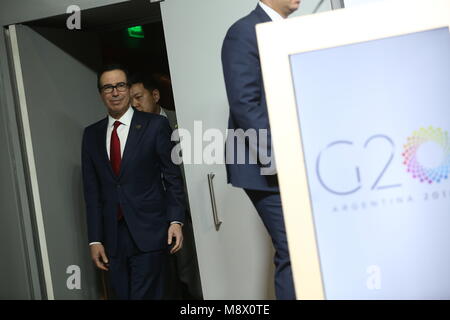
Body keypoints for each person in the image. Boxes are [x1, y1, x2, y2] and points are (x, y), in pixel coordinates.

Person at [81, 64, 186, 300]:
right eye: (108, 87)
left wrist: (176, 220)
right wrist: (95, 239)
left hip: (150, 232)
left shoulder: (154, 125)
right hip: (113, 240)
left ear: (128, 90)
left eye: (120, 85)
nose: (115, 92)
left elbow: (172, 177)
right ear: (101, 93)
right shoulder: (91, 135)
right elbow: (92, 191)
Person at [221, 0, 301, 300]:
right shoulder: (242, 32)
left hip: (301, 161)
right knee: (295, 249)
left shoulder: (294, 30)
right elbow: (244, 103)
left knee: (306, 248)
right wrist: (280, 160)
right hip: (267, 167)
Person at [129, 73, 203, 300]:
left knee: (192, 272)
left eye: (139, 97)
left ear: (155, 95)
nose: (134, 104)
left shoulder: (180, 121)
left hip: (190, 210)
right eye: (131, 100)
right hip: (154, 216)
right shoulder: (133, 132)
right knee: (167, 277)